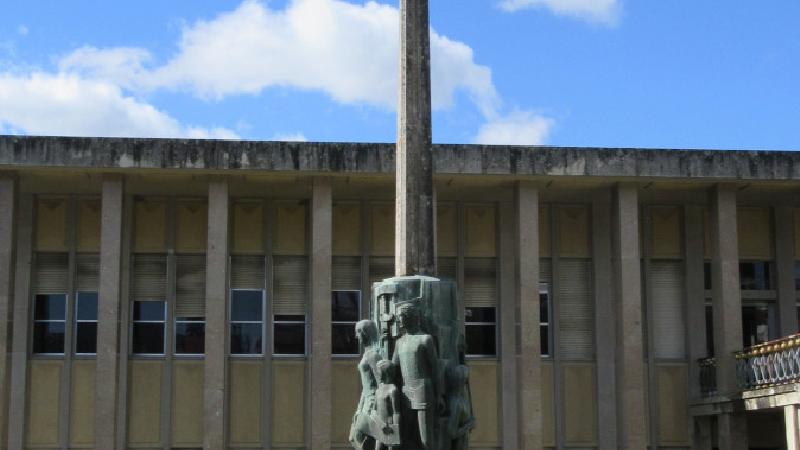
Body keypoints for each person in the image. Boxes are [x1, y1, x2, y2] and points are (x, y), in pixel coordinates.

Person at [392, 303, 443, 450]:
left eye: (401, 317)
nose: (399, 320)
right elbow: (393, 368)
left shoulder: (425, 339)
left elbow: (436, 369)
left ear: (410, 317)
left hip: (423, 392)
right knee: (406, 437)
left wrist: (439, 395)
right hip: (406, 392)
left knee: (425, 439)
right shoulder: (399, 342)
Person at [350, 320, 382, 449]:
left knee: (360, 436)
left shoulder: (373, 355)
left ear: (365, 333)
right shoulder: (366, 354)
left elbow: (381, 383)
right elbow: (365, 387)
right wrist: (360, 407)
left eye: (358, 332)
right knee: (354, 438)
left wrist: (373, 407)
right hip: (366, 401)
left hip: (373, 401)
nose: (356, 336)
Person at [445, 364, 474, 450]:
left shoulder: (462, 399)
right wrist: (468, 425)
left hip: (463, 444)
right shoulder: (455, 402)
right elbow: (452, 433)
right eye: (465, 380)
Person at [373, 359, 400, 449]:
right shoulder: (378, 389)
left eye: (379, 372)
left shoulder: (392, 390)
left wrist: (396, 430)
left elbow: (396, 412)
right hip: (380, 425)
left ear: (385, 373)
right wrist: (378, 424)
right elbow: (374, 410)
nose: (377, 374)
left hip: (390, 427)